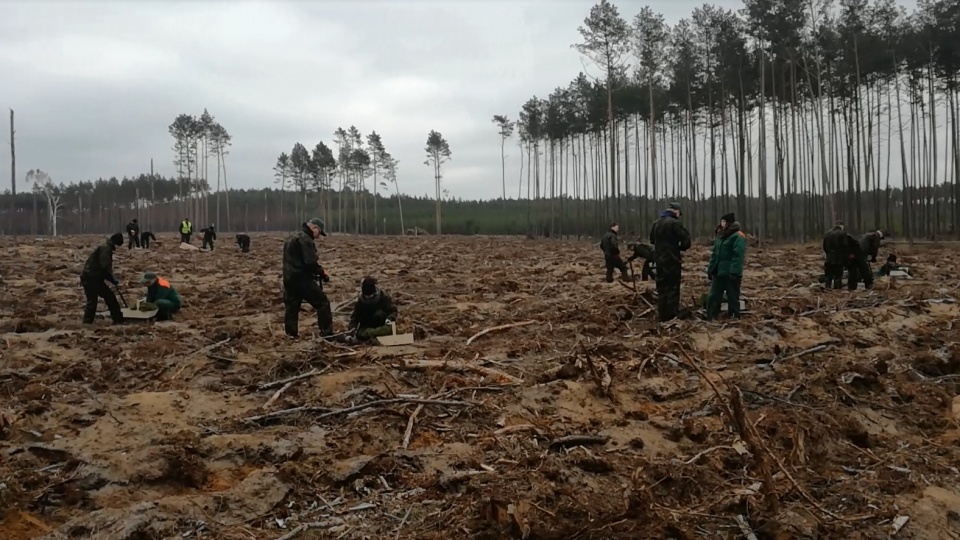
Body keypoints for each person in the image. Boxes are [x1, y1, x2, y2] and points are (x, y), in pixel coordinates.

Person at [282, 218, 333, 339]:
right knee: (323, 303)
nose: (318, 236)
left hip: (289, 279)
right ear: (314, 228)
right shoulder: (306, 239)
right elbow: (310, 263)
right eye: (319, 233)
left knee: (292, 308)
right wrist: (322, 273)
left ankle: (291, 335)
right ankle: (327, 333)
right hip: (302, 280)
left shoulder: (291, 237)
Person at [650, 202, 692, 322]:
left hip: (659, 260)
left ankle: (662, 314)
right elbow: (686, 241)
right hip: (672, 260)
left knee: (662, 288)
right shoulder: (675, 223)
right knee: (673, 287)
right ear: (676, 211)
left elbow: (652, 240)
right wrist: (678, 247)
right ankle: (672, 315)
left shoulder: (656, 223)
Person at [705, 213, 747, 320]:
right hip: (718, 273)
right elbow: (715, 254)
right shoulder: (721, 236)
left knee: (733, 297)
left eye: (724, 222)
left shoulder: (738, 236)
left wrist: (734, 272)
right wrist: (711, 269)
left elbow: (738, 255)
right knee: (714, 296)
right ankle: (711, 317)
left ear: (729, 223)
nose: (722, 224)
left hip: (730, 274)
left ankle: (734, 317)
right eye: (721, 221)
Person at [80, 233, 125, 325]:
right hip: (92, 278)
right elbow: (104, 267)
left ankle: (87, 323)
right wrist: (112, 279)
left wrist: (110, 278)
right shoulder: (106, 249)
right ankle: (118, 320)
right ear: (116, 243)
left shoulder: (105, 247)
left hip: (91, 277)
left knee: (95, 300)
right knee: (106, 298)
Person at [349, 277, 399, 341]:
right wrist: (352, 330)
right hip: (366, 327)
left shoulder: (383, 297)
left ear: (374, 293)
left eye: (370, 296)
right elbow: (355, 317)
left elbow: (393, 311)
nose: (368, 298)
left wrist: (389, 319)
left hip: (381, 324)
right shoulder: (360, 301)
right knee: (361, 334)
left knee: (379, 314)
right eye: (366, 296)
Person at [822, 222, 848, 290]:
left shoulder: (827, 233)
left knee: (828, 275)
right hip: (839, 258)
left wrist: (827, 253)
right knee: (838, 276)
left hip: (829, 257)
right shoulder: (842, 234)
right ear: (842, 226)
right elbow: (845, 246)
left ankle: (827, 288)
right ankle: (837, 290)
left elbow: (824, 246)